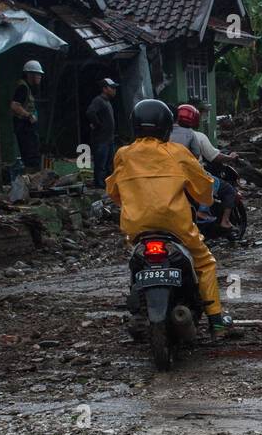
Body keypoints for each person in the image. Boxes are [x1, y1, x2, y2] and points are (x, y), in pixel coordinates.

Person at [106, 99, 232, 335]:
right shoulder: (177, 152)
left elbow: (114, 191)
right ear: (166, 127)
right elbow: (203, 188)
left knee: (136, 261)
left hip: (137, 227)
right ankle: (216, 320)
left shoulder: (123, 154)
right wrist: (205, 200)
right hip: (176, 226)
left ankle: (140, 307)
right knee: (204, 263)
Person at [171, 104, 241, 237]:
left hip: (169, 177)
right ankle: (222, 220)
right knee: (226, 189)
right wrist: (230, 158)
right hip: (191, 175)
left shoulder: (164, 135)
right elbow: (210, 156)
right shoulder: (195, 135)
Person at [10, 59, 45, 173]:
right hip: (24, 127)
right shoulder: (23, 88)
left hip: (28, 127)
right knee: (30, 155)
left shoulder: (28, 88)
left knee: (33, 154)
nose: (40, 77)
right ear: (30, 74)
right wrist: (28, 115)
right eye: (38, 74)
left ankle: (33, 178)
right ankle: (31, 179)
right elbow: (14, 105)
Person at [86, 77, 119, 191]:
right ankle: (99, 187)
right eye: (112, 88)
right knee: (101, 165)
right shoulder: (98, 100)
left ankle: (107, 186)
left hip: (109, 139)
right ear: (105, 89)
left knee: (109, 165)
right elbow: (90, 112)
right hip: (101, 140)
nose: (114, 90)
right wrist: (98, 125)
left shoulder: (107, 102)